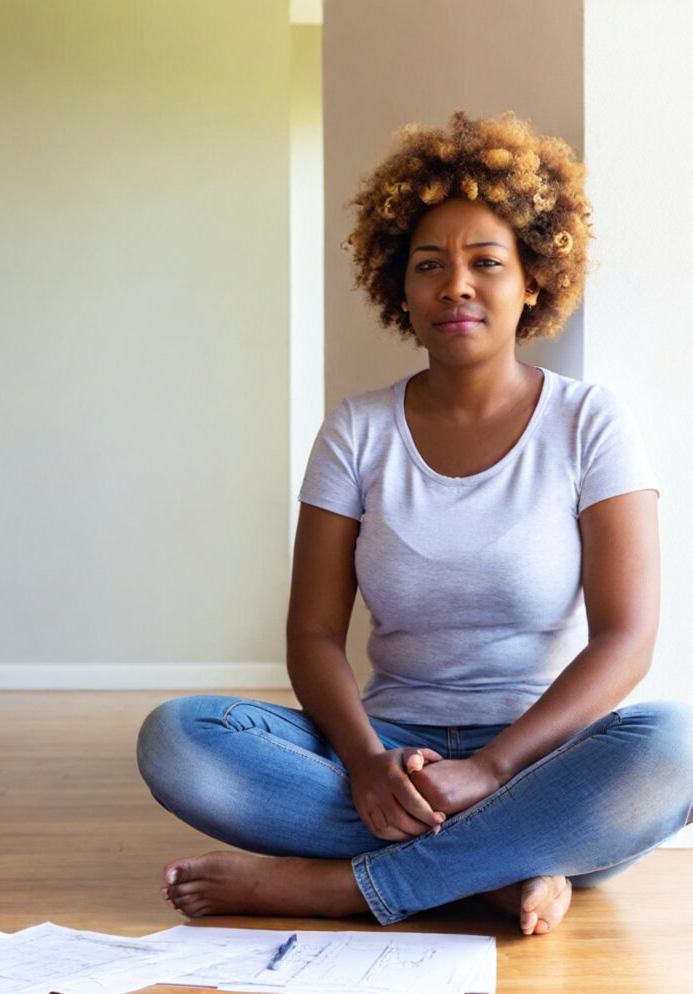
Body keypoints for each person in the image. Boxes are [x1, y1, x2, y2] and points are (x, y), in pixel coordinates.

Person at [136, 111, 693, 936]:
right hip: (389, 744)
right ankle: (500, 869)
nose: (455, 285)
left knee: (672, 747)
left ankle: (345, 888)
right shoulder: (357, 431)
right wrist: (364, 762)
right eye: (429, 265)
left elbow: (627, 638)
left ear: (534, 278)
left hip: (538, 757)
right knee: (179, 738)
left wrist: (496, 766)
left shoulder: (590, 424)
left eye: (485, 263)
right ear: (400, 288)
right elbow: (315, 634)